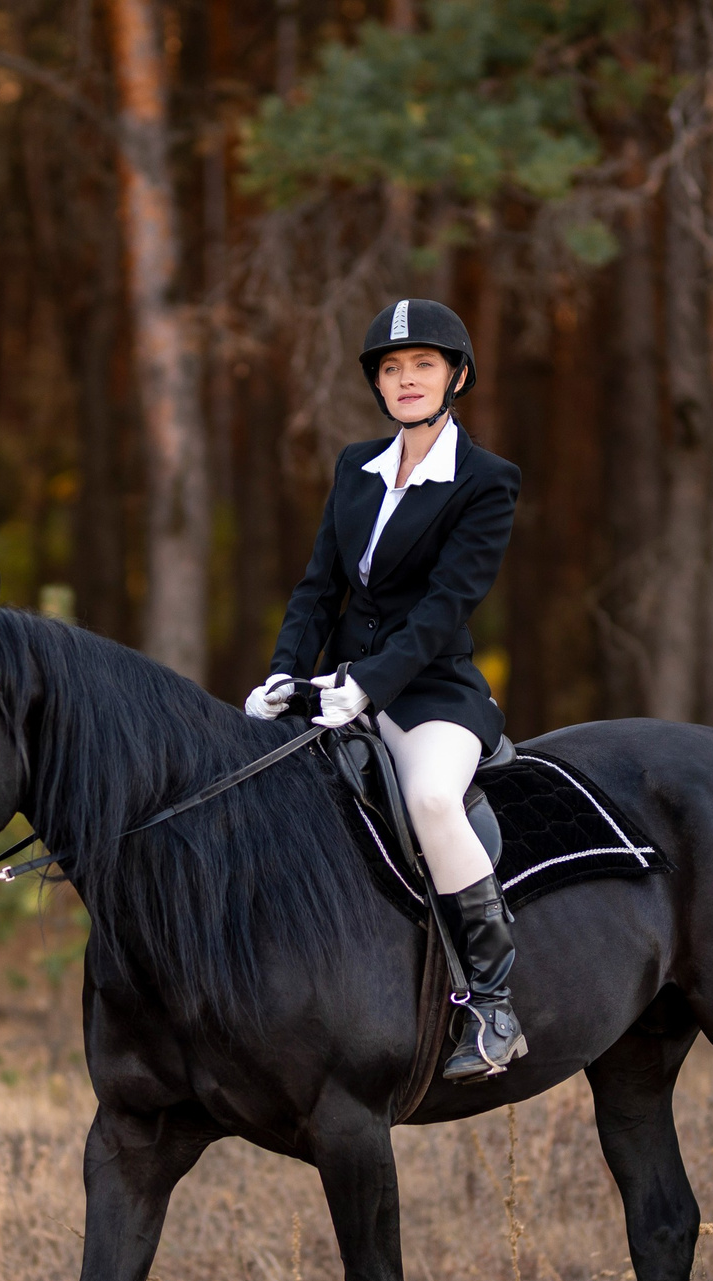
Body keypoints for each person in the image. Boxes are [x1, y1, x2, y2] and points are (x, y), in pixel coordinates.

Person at [244, 299, 526, 1081]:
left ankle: (495, 1006)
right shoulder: (355, 469)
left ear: (456, 375)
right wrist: (283, 673)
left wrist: (367, 685)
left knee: (432, 798)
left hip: (433, 694)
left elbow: (444, 611)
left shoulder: (485, 481)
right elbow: (318, 588)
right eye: (392, 369)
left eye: (422, 366)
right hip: (337, 687)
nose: (405, 380)